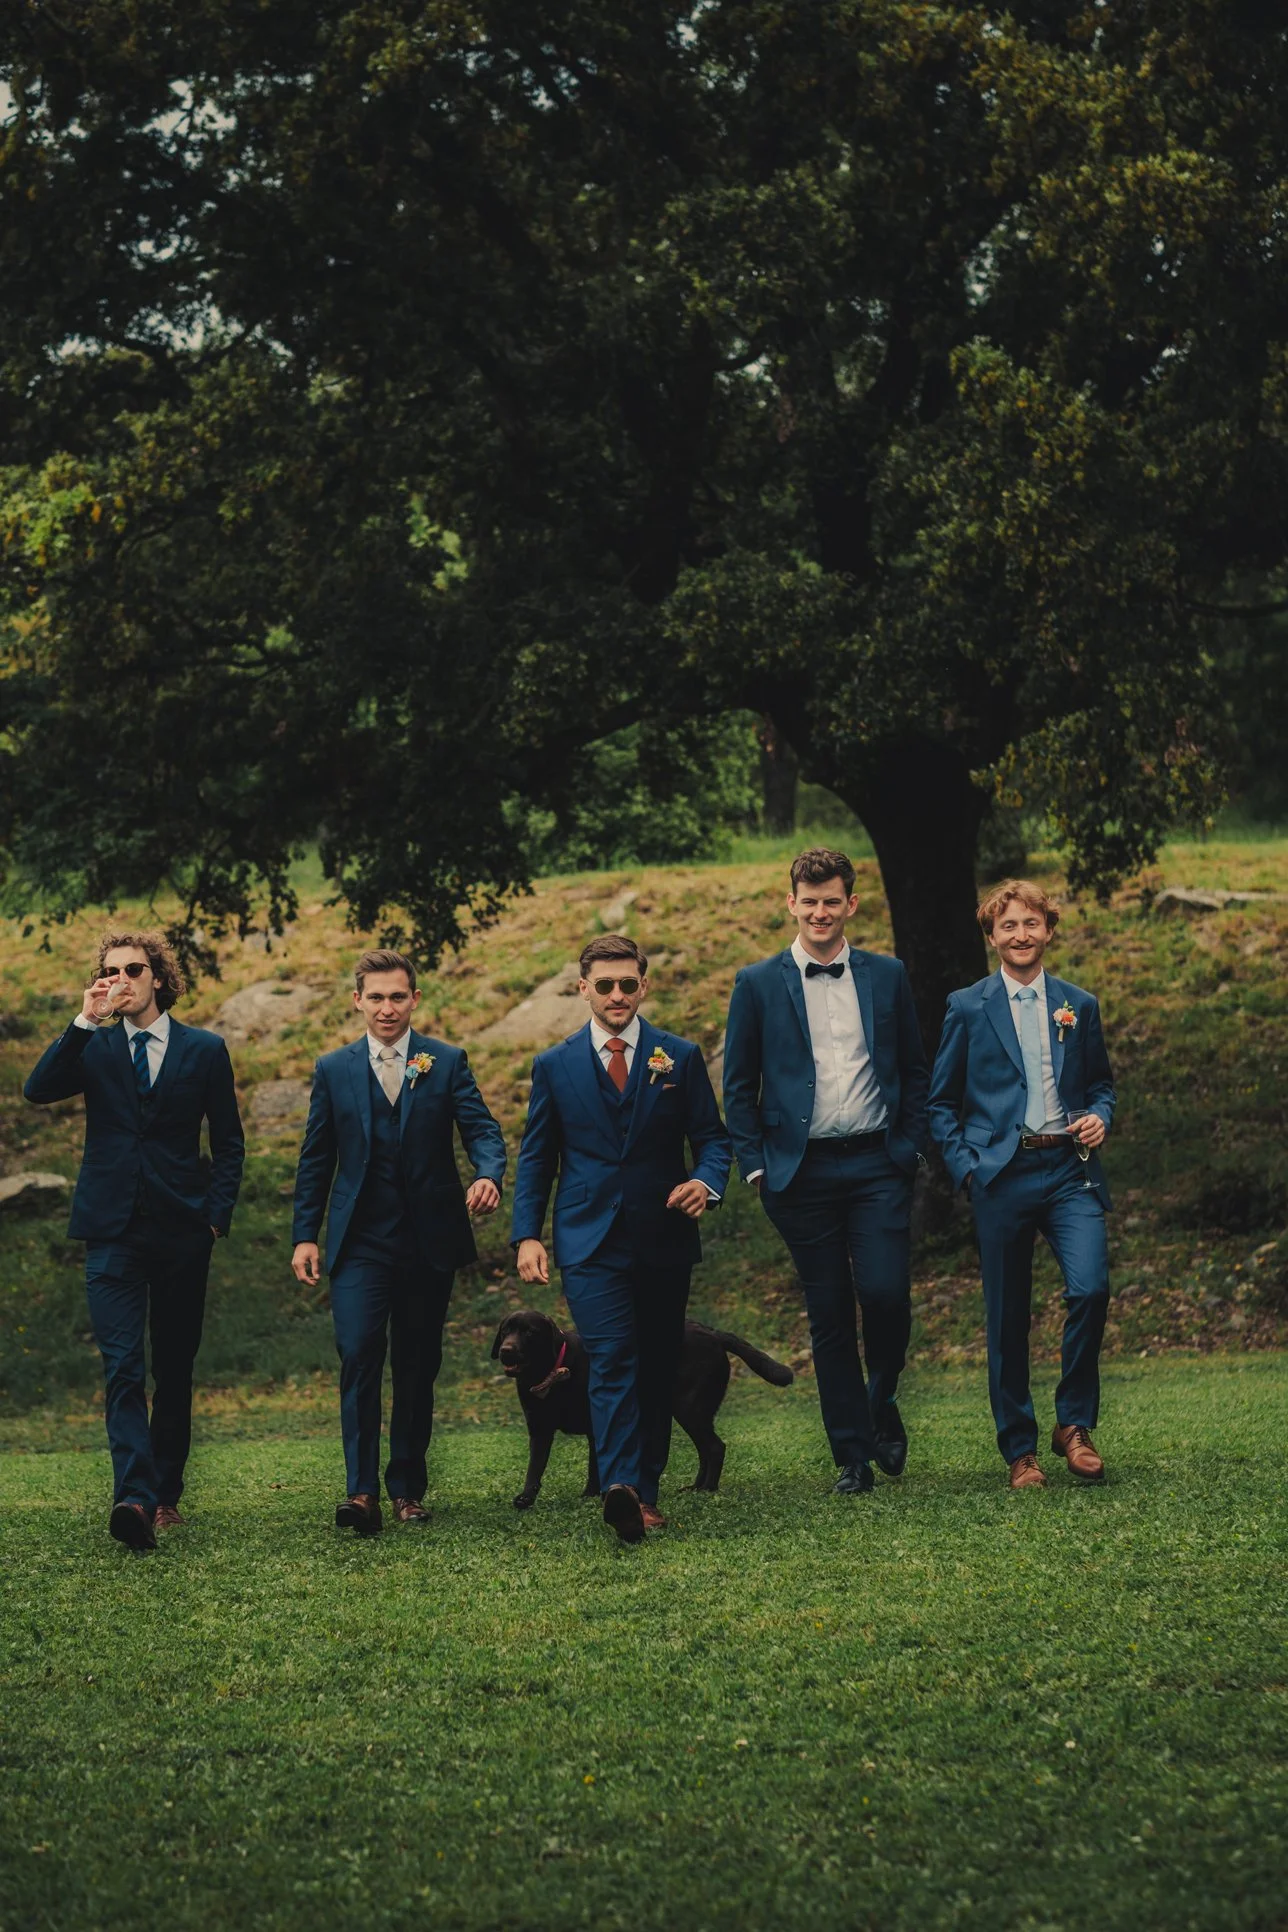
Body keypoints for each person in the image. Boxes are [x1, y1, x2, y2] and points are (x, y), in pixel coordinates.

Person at [24, 931, 245, 1551]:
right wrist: (81, 1020)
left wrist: (214, 1218)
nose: (121, 978)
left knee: (173, 1369)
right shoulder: (92, 1047)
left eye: (133, 969)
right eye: (110, 970)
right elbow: (36, 1089)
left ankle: (166, 1493)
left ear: (158, 978)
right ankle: (134, 1497)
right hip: (110, 1230)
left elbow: (228, 1143)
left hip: (182, 1229)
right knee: (123, 1367)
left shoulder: (204, 1050)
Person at [510, 935, 732, 1543]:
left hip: (663, 1238)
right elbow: (537, 1158)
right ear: (583, 988)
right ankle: (624, 1489)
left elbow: (712, 1141)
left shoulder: (678, 1057)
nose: (616, 995)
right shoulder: (554, 1066)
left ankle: (648, 1490)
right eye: (603, 985)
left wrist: (704, 1184)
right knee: (610, 1359)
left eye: (626, 984)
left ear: (643, 986)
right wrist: (527, 1234)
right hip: (588, 1241)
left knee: (655, 1364)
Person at [722, 848, 928, 1496]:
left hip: (876, 1163)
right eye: (808, 902)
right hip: (798, 1174)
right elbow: (737, 1087)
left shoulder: (888, 974)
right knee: (830, 1314)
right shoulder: (756, 984)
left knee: (887, 1296)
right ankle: (852, 1456)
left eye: (831, 901)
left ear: (850, 905)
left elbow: (916, 1071)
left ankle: (880, 1398)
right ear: (791, 904)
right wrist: (755, 1169)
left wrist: (911, 1146)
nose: (819, 912)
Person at [291, 949, 505, 1535]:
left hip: (428, 1240)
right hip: (359, 1242)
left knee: (417, 1365)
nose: (388, 1008)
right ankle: (361, 1493)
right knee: (360, 1354)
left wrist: (488, 1173)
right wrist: (304, 1235)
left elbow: (482, 1129)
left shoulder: (447, 1061)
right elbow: (316, 1158)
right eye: (376, 997)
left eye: (398, 996)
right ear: (357, 1000)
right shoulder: (333, 1069)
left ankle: (407, 1488)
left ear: (415, 1000)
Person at [928, 880, 1116, 1489]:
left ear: (1049, 930)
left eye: (1031, 923)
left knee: (1090, 1288)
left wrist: (1100, 1118)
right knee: (1007, 1317)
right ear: (992, 936)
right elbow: (940, 1103)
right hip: (1000, 1173)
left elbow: (1103, 1087)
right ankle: (1021, 1451)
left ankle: (1074, 1426)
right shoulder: (967, 1006)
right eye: (1008, 926)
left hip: (1069, 1169)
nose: (1020, 935)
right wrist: (968, 1166)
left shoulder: (1078, 1005)